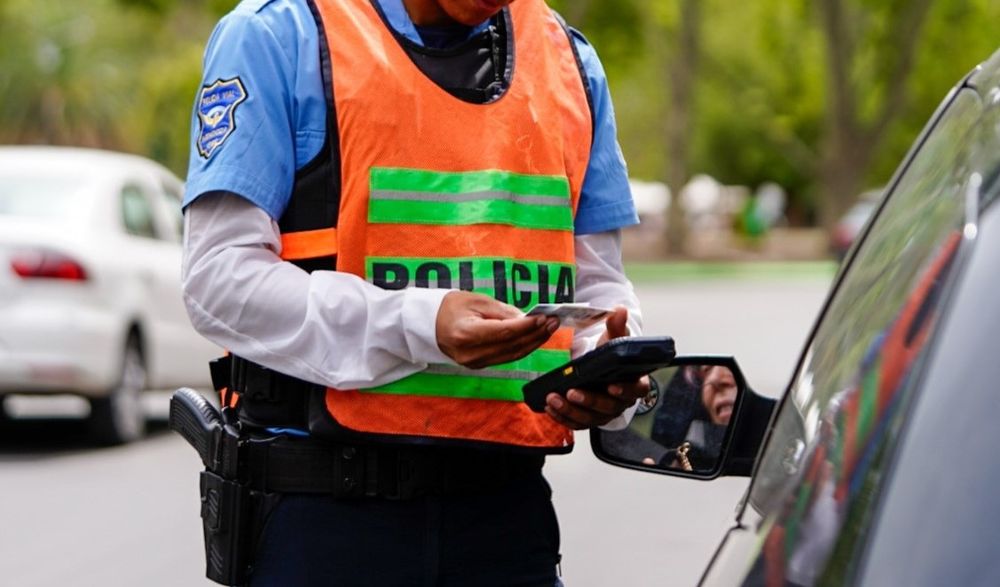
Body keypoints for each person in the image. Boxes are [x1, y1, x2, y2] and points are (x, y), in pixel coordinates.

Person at [181, 0, 647, 584]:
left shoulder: (569, 62)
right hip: (327, 519)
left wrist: (602, 372)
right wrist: (420, 324)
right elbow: (217, 281)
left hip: (508, 522)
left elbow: (598, 288)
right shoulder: (280, 35)